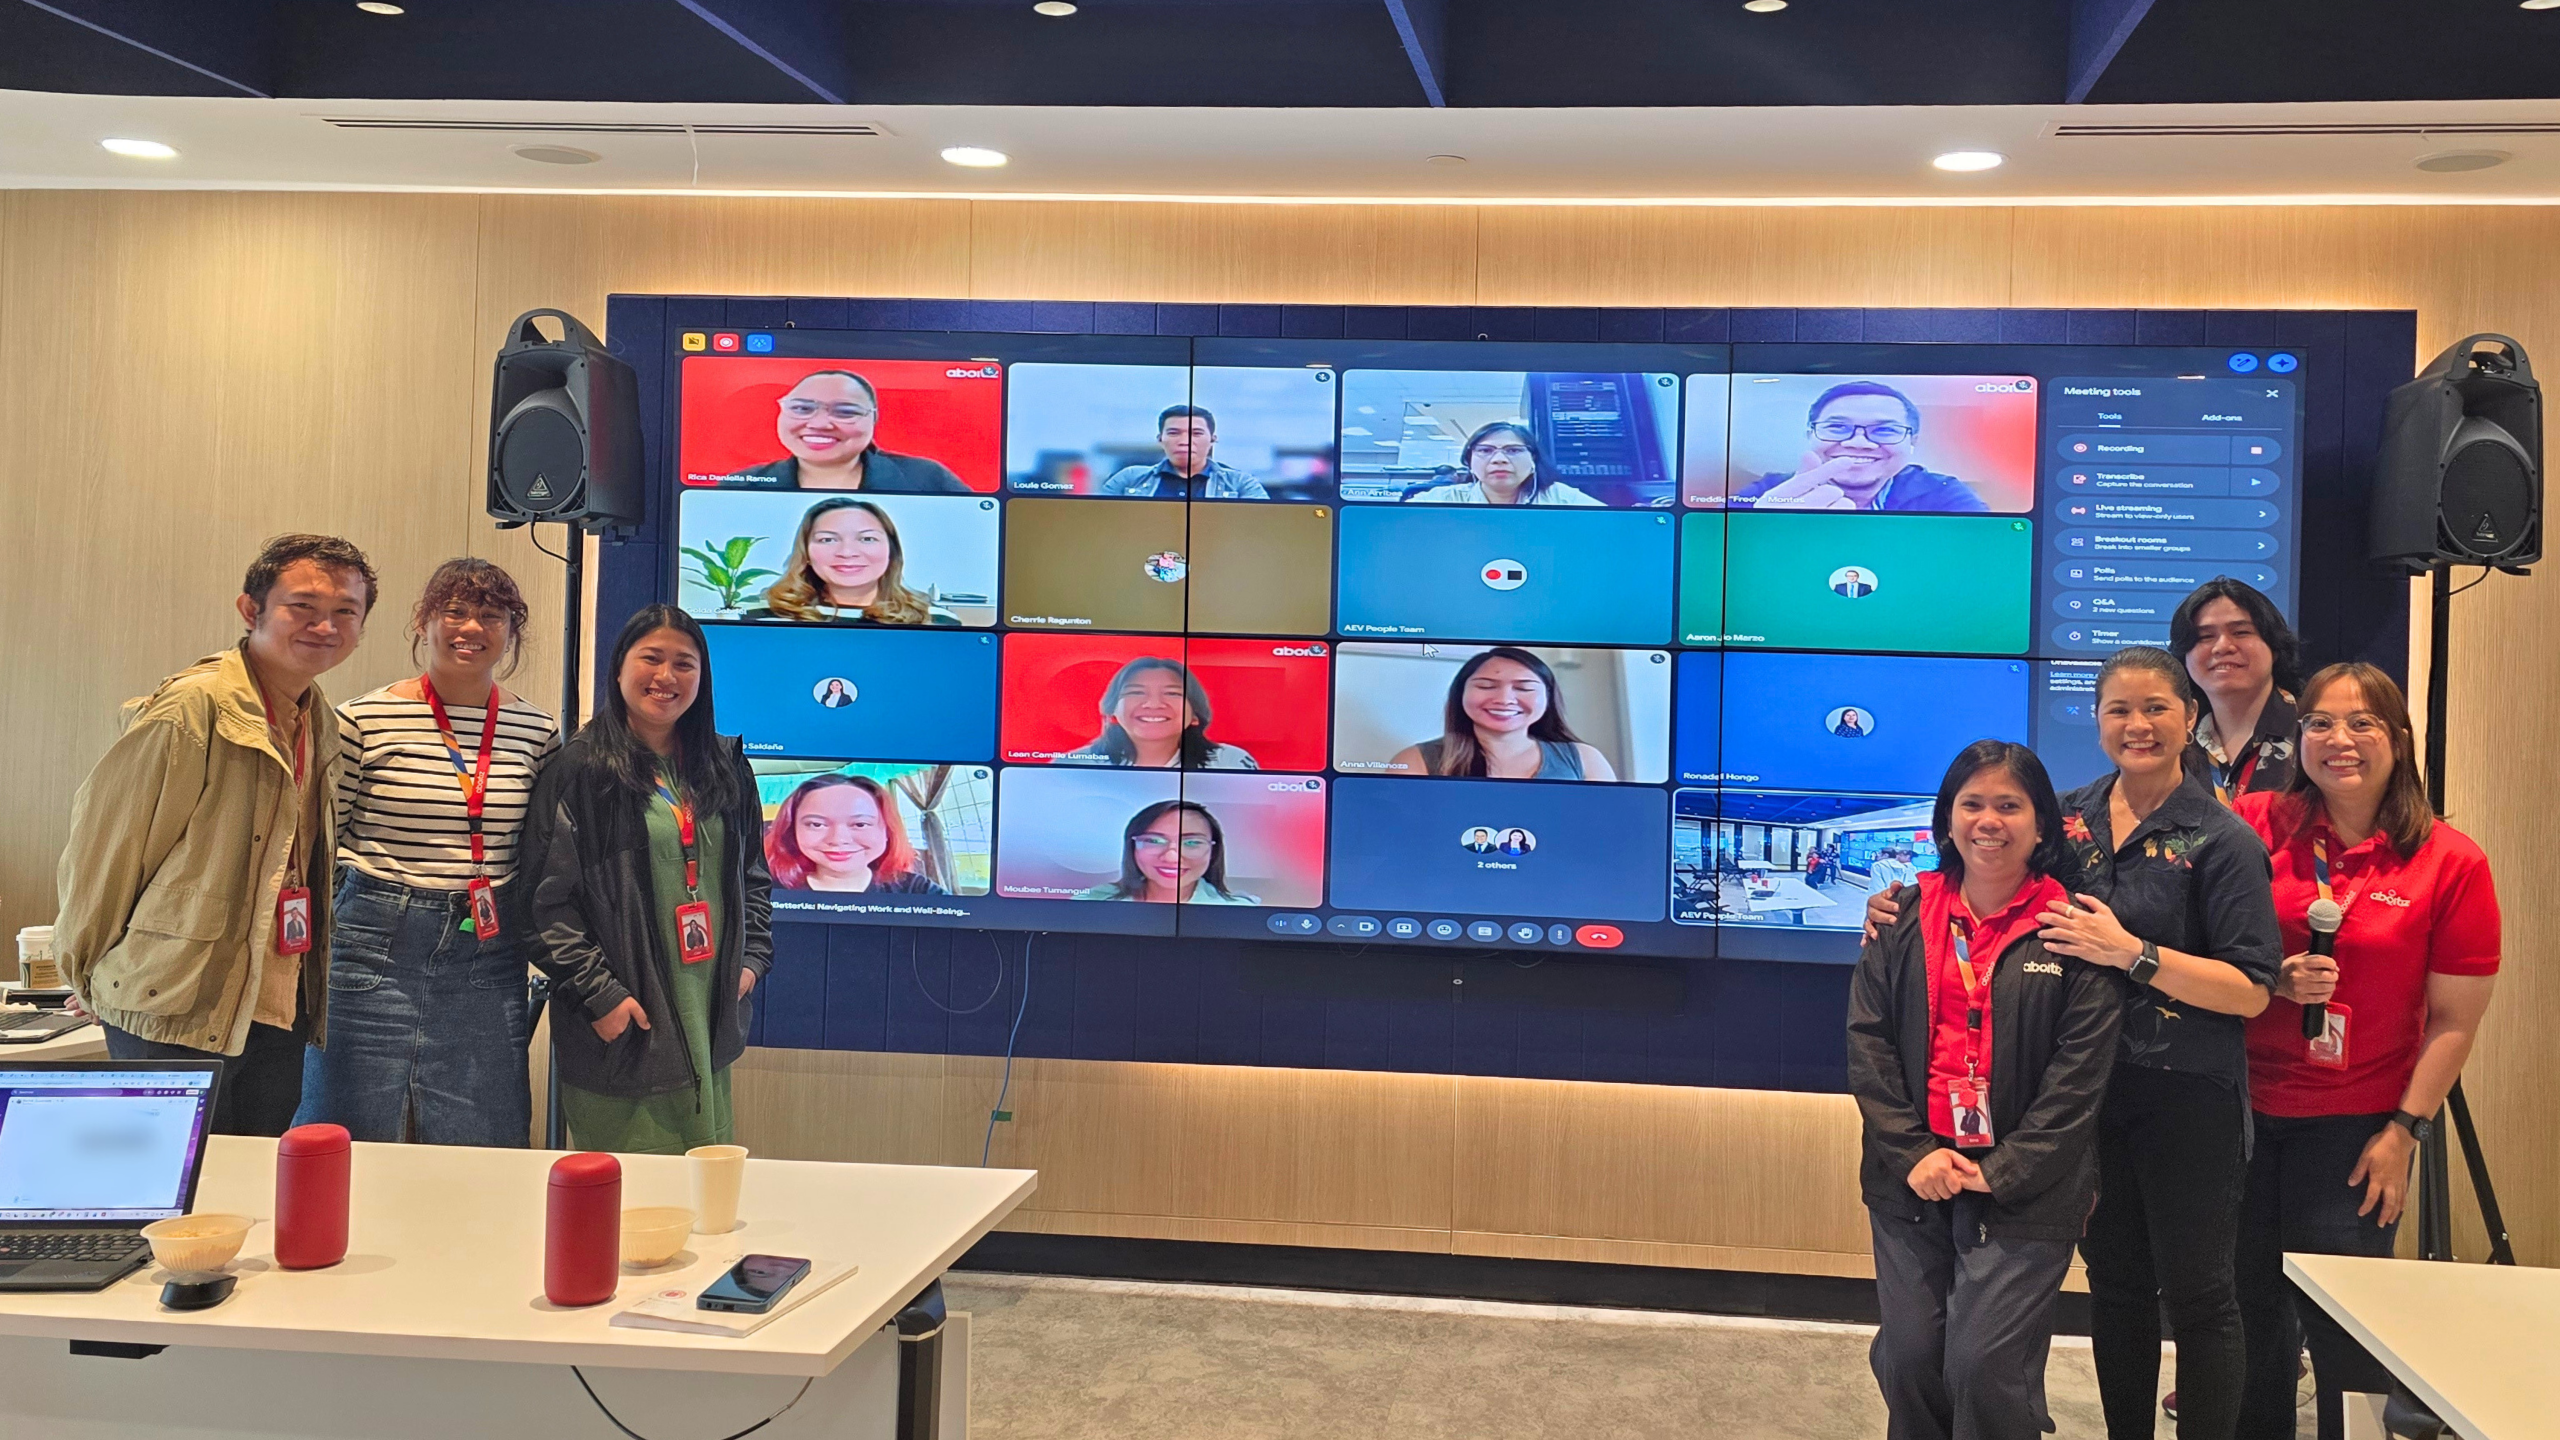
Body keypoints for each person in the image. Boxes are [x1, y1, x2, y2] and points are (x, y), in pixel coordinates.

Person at [1867, 646, 2280, 1440]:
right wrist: (1895, 909)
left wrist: (2133, 954)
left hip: (2186, 1096)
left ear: (2190, 717)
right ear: (2096, 721)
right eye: (2119, 709)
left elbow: (2254, 989)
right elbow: (1987, 879)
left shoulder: (2222, 839)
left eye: (2156, 707)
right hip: (2076, 1096)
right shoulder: (2068, 820)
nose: (2138, 724)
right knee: (2116, 1285)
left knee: (2199, 1294)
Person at [2231, 664, 2500, 1440]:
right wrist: (2271, 981)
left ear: (2400, 741)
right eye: (2319, 723)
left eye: (2362, 723)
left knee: (2345, 1336)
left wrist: (2404, 1133)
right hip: (2235, 1115)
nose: (2338, 739)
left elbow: (2453, 1023)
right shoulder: (2253, 825)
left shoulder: (2450, 860)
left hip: (2355, 1130)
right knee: (2246, 1327)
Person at [1848, 740, 2125, 1440]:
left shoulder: (2074, 928)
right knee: (1909, 1359)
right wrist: (1914, 1153)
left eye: (2010, 805)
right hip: (1914, 1176)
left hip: (2027, 1187)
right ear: (1947, 819)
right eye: (1971, 804)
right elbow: (1869, 1042)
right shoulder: (1902, 916)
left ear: (2041, 824)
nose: (1989, 821)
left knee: (1981, 1365)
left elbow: (2079, 1075)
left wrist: (2004, 1170)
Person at [56, 535, 377, 1136]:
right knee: (173, 1180)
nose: (325, 626)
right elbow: (106, 853)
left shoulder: (318, 716)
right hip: (173, 996)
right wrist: (87, 975)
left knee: (249, 1176)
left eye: (345, 611)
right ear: (251, 609)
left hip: (275, 997)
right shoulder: (191, 708)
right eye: (303, 607)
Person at [299, 558, 559, 1147]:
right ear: (423, 622)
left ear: (511, 631)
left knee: (486, 1140)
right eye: (455, 611)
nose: (472, 628)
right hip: (372, 943)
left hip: (486, 954)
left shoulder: (536, 730)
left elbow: (536, 849)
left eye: (491, 616)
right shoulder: (363, 719)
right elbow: (322, 843)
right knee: (341, 1137)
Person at [525, 606, 773, 1154]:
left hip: (708, 1013)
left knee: (705, 1180)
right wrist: (600, 995)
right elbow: (544, 903)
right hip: (625, 1025)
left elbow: (753, 877)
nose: (666, 676)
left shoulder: (725, 765)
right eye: (651, 659)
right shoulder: (582, 771)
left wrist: (752, 959)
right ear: (619, 668)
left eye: (684, 663)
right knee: (630, 1189)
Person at [1734, 382, 1989, 513]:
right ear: (1810, 434)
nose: (1858, 443)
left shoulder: (1944, 493)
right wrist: (1762, 527)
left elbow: (1988, 557)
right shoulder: (1769, 492)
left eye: (1885, 430)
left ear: (1912, 441)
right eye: (1837, 427)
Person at [1388, 647, 1617, 781]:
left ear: (1548, 698)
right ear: (1461, 694)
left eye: (1524, 688)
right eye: (1486, 686)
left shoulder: (1584, 758)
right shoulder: (1415, 760)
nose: (1505, 699)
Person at [720, 369, 970, 493]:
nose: (819, 423)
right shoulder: (743, 485)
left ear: (873, 420)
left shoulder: (927, 478)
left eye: (845, 412)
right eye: (802, 408)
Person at [2171, 577, 2302, 802]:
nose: (2222, 647)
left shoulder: (2312, 730)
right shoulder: (2175, 743)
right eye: (2205, 637)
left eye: (2241, 632)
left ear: (2275, 647)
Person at [744, 498, 960, 626]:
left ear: (892, 552)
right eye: (827, 540)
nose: (847, 552)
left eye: (867, 539)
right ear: (806, 553)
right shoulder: (760, 615)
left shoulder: (936, 620)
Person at [1054, 657, 1259, 770]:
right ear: (1112, 710)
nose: (1153, 704)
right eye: (1136, 692)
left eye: (1172, 693)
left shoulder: (1229, 761)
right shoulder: (1073, 764)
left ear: (1195, 715)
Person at [765, 773, 947, 894]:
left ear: (887, 830)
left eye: (860, 824)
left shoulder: (918, 891)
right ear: (792, 830)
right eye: (817, 824)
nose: (838, 840)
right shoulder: (762, 891)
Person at [1075, 801, 1260, 904]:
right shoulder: (1091, 902)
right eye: (1154, 841)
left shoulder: (1242, 911)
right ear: (1133, 847)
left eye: (1192, 842)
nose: (1171, 857)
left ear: (1213, 850)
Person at [1405, 422, 1603, 507]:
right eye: (1485, 451)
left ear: (1533, 459)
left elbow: (1612, 529)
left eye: (1513, 450)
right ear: (1469, 461)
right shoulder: (1442, 499)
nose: (1499, 459)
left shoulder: (1561, 497)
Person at [1097, 405, 1270, 500]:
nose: (1184, 441)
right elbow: (1098, 520)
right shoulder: (1129, 478)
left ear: (1212, 439)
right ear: (1160, 439)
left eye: (1196, 433)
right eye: (1174, 433)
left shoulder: (1240, 483)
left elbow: (1262, 526)